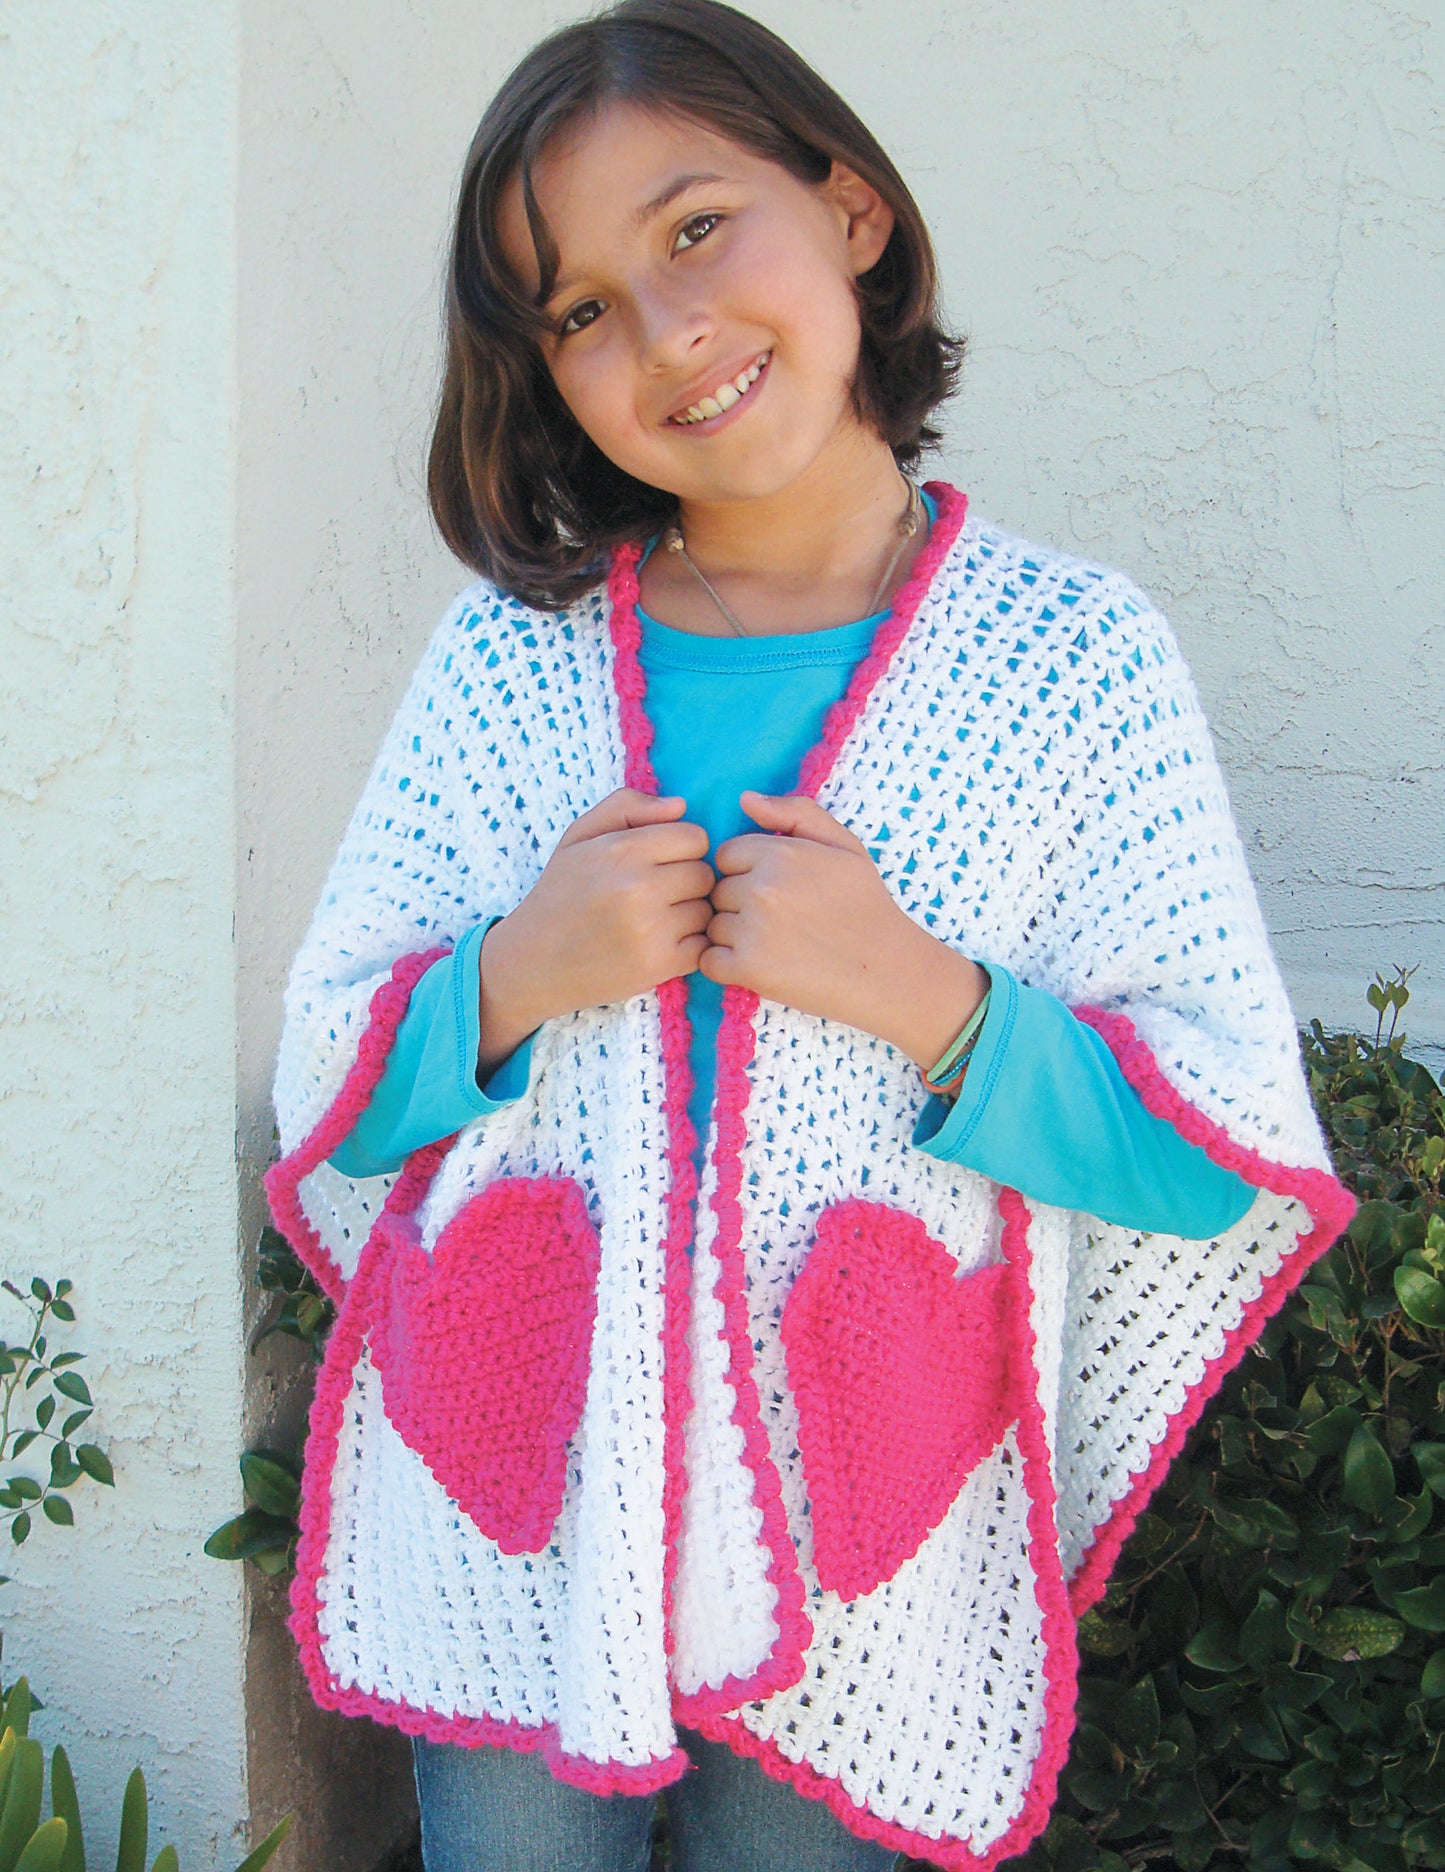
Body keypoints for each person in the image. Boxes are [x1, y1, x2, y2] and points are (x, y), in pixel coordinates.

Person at [266, 4, 1354, 1868]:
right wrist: (519, 972)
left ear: (849, 208)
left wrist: (929, 1006)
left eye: (695, 227)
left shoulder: (1069, 665)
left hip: (864, 1550)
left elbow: (1219, 1149)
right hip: (521, 1519)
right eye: (579, 309)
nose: (665, 330)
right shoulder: (508, 662)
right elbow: (328, 1082)